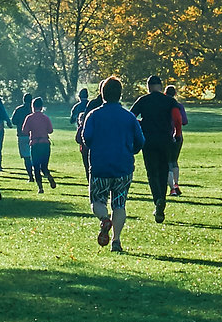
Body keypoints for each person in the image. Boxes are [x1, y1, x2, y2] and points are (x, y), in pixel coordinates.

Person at [78, 76, 146, 252]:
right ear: (120, 94)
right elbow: (140, 141)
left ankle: (104, 219)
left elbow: (86, 138)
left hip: (100, 166)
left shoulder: (94, 115)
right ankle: (116, 240)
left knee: (97, 200)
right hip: (123, 167)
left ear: (102, 93)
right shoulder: (129, 117)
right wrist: (131, 150)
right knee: (119, 204)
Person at [129, 76, 180, 223]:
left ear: (148, 86)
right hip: (165, 140)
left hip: (149, 141)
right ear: (161, 86)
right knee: (164, 171)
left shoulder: (143, 100)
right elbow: (177, 118)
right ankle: (162, 200)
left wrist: (141, 124)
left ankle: (157, 199)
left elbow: (131, 117)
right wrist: (177, 133)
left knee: (152, 173)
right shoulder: (170, 101)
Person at [23, 96, 56, 191]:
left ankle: (40, 187)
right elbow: (50, 130)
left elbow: (24, 131)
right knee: (44, 166)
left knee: (36, 166)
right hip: (45, 143)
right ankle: (48, 175)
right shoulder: (45, 118)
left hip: (35, 144)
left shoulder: (29, 118)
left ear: (32, 106)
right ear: (42, 107)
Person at [165, 84, 187, 196]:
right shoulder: (179, 106)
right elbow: (184, 121)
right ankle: (176, 183)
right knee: (174, 161)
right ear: (175, 94)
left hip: (167, 135)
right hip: (178, 135)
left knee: (167, 163)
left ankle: (172, 188)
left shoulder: (164, 106)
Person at [70, 87, 96, 173]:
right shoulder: (91, 105)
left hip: (81, 133)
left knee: (84, 155)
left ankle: (88, 173)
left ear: (79, 96)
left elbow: (71, 120)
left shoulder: (76, 107)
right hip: (93, 133)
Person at [13, 94, 35, 180]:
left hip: (22, 135)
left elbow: (14, 121)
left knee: (26, 157)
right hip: (33, 135)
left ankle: (30, 176)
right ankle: (37, 172)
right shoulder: (33, 110)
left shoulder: (19, 109)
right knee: (34, 155)